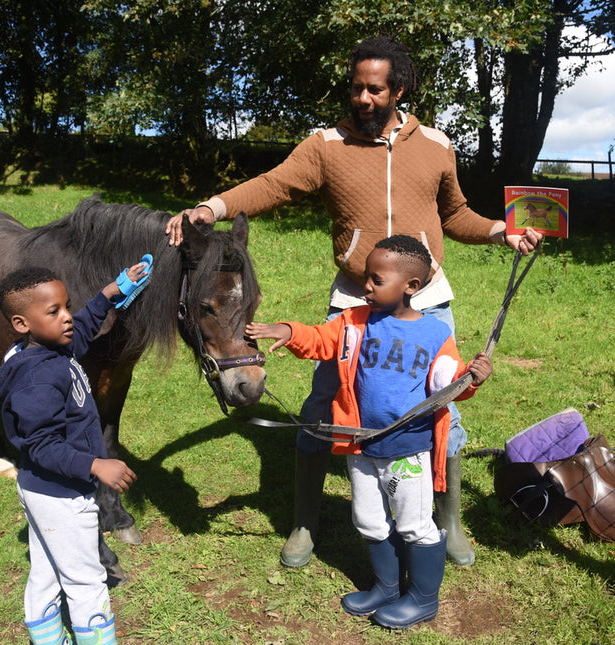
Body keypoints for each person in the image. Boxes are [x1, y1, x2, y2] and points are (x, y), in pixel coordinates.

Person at [166, 35, 539, 568]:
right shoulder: (325, 145)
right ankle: (304, 523)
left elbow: (455, 215)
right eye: (356, 88)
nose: (362, 98)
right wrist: (214, 206)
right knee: (323, 409)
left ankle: (448, 520)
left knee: (441, 407)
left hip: (427, 302)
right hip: (353, 302)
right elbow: (274, 185)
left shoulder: (435, 144)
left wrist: (503, 231)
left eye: (374, 89)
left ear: (399, 89)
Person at [246, 235, 492, 629]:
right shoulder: (353, 321)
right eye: (366, 278)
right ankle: (387, 587)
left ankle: (424, 599)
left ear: (411, 287)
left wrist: (471, 378)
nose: (366, 287)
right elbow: (319, 339)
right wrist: (288, 331)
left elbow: (449, 383)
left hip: (407, 449)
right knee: (369, 520)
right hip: (360, 445)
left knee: (414, 523)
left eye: (377, 280)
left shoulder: (434, 335)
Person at [0, 264, 156, 645]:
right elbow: (41, 444)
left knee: (46, 570)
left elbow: (80, 330)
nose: (66, 316)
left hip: (39, 491)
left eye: (65, 306)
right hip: (62, 496)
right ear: (21, 322)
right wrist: (95, 463)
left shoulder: (47, 348)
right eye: (55, 311)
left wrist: (109, 293)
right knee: (86, 579)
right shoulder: (37, 379)